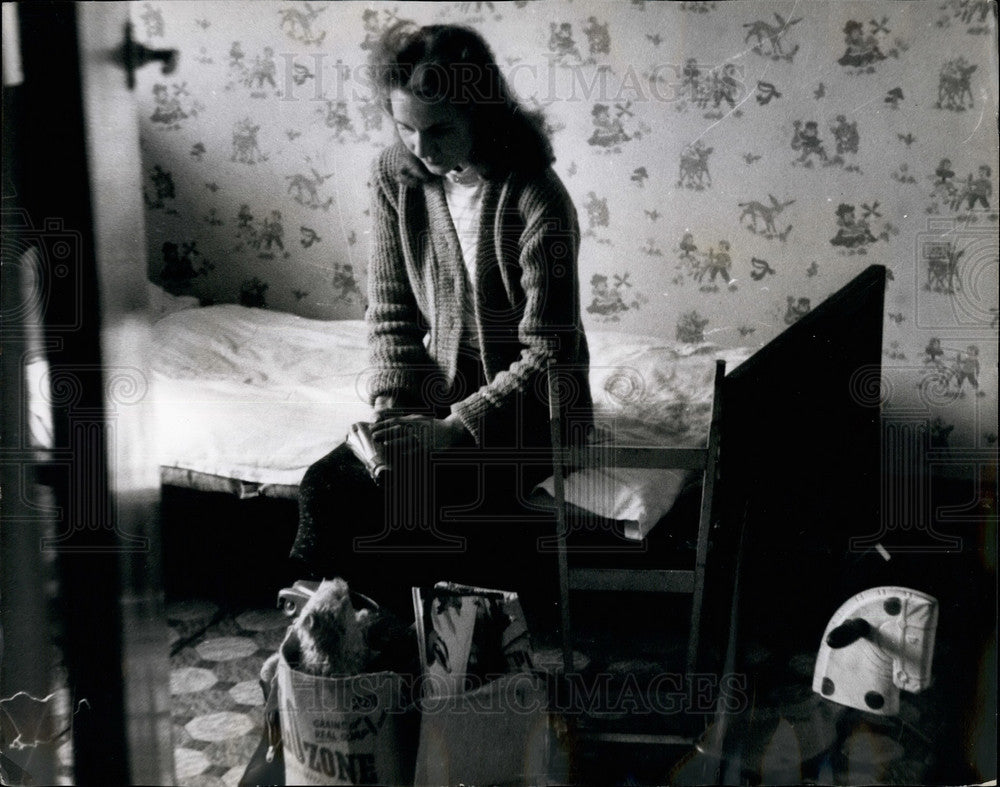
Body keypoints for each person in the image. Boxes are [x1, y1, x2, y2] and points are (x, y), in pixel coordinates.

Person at [290, 23, 593, 617]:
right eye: (405, 127)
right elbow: (392, 312)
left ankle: (404, 639)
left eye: (440, 130)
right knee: (327, 484)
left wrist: (454, 428)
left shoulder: (537, 197)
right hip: (442, 390)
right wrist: (390, 410)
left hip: (533, 408)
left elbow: (549, 355)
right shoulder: (394, 175)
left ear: (483, 114)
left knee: (422, 501)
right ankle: (332, 624)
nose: (421, 148)